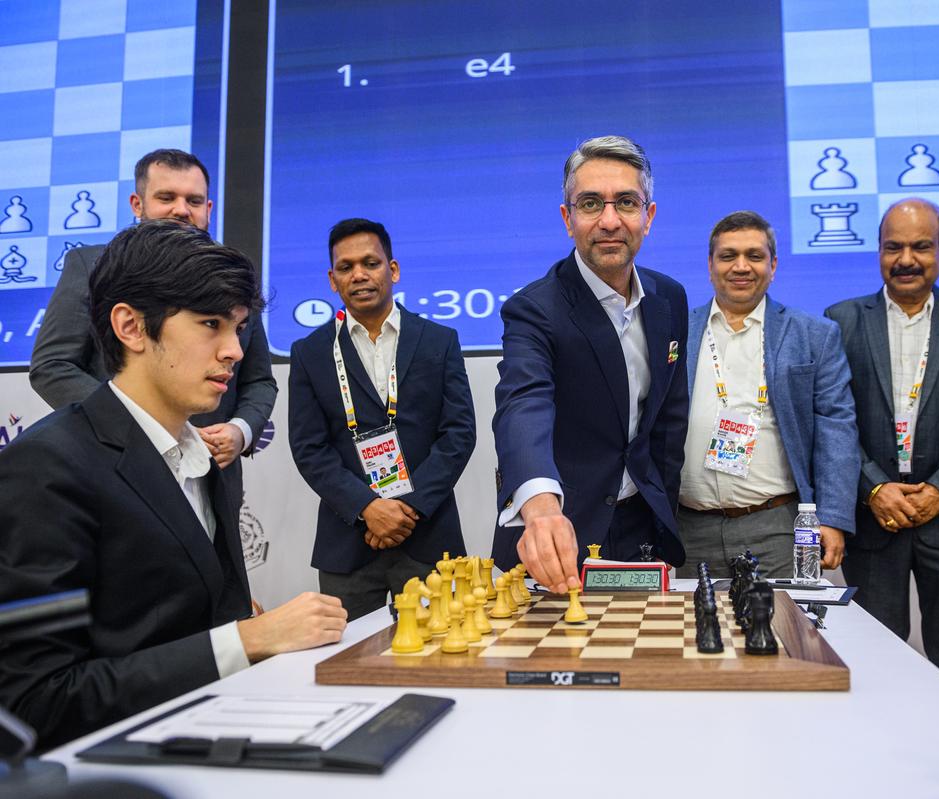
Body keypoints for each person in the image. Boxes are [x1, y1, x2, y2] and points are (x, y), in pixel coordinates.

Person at [0, 221, 346, 750]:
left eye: (238, 327)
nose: (233, 350)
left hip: (218, 741)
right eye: (211, 324)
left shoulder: (210, 460)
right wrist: (249, 638)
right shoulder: (48, 467)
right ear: (131, 327)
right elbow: (39, 701)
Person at [491, 135, 690, 592]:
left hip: (643, 532)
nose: (609, 221)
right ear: (567, 218)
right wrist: (540, 510)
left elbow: (667, 422)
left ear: (648, 216)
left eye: (625, 202)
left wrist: (663, 511)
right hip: (559, 535)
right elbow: (523, 404)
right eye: (590, 204)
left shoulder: (669, 298)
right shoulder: (534, 309)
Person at [29, 148, 277, 505]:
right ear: (137, 203)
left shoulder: (231, 276)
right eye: (166, 197)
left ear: (208, 210)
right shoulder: (91, 265)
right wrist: (136, 426)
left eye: (194, 200)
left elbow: (258, 378)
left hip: (213, 475)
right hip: (116, 465)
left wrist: (241, 430)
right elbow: (52, 366)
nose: (181, 209)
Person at [825, 198, 939, 679]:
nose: (906, 259)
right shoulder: (840, 319)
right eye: (893, 247)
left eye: (921, 246)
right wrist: (873, 488)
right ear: (878, 252)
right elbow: (834, 422)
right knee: (876, 666)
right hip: (874, 523)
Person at [288, 218, 476, 621]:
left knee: (444, 657)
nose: (359, 275)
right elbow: (309, 448)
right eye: (346, 267)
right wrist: (368, 508)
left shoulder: (439, 341)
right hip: (350, 543)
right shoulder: (310, 352)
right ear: (332, 280)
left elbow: (458, 434)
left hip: (428, 537)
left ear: (392, 270)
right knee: (350, 670)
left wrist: (405, 510)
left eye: (370, 263)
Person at [677, 211, 857, 577]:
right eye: (728, 256)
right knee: (692, 634)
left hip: (776, 526)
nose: (741, 266)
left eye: (754, 256)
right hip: (687, 529)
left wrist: (834, 517)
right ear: (710, 265)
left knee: (779, 634)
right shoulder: (676, 329)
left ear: (773, 265)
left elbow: (836, 427)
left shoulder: (814, 334)